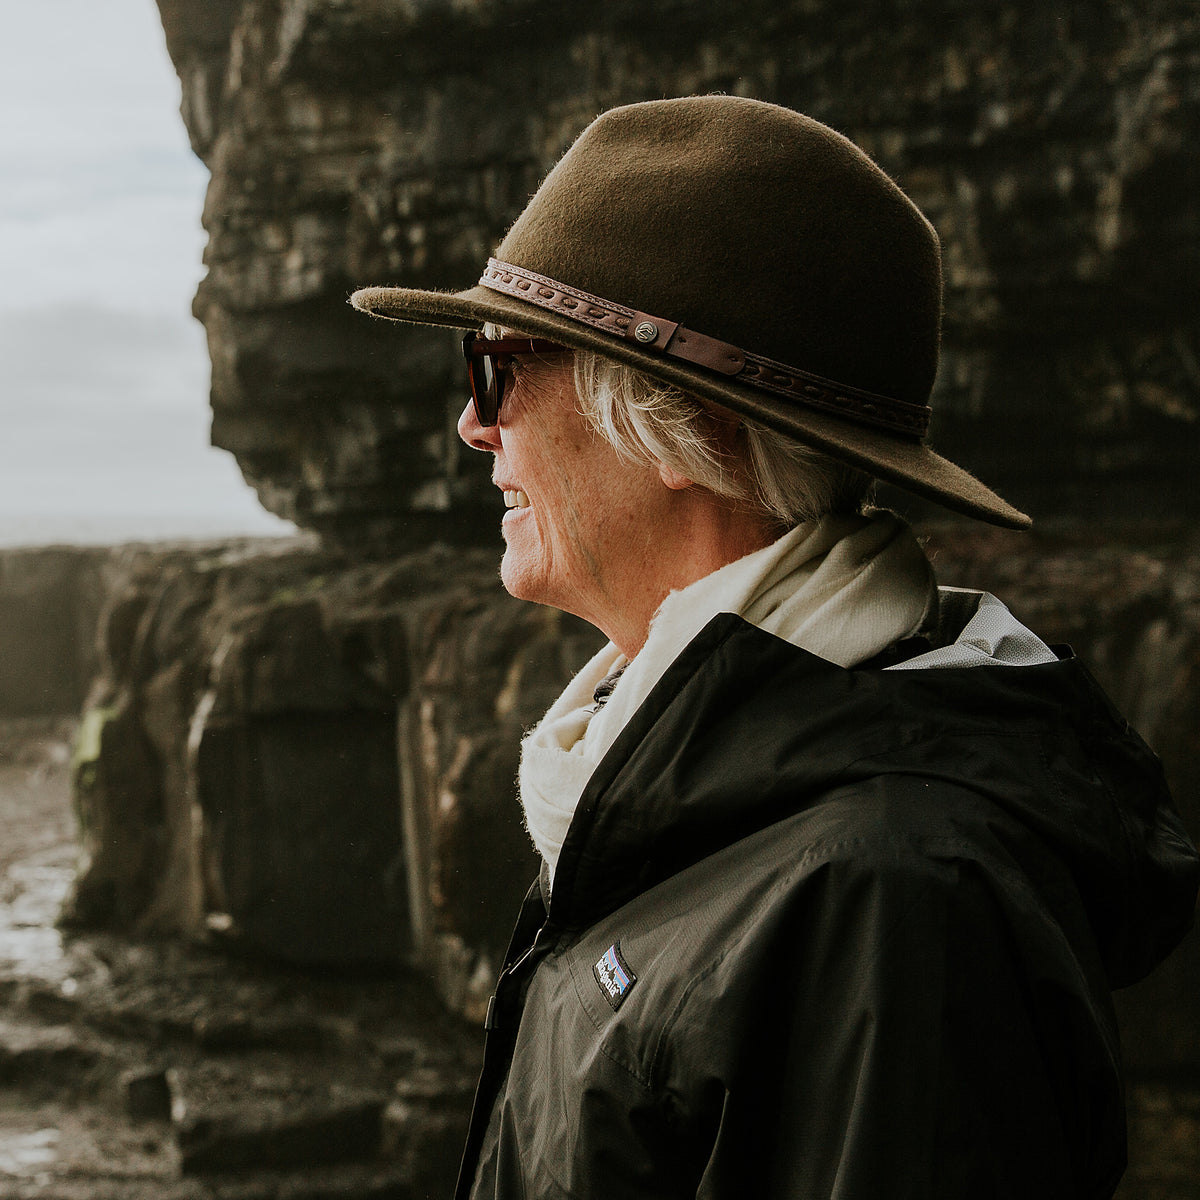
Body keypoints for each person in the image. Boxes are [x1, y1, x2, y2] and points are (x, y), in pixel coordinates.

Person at [352, 97, 1199, 1200]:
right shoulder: (661, 784)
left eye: (497, 362)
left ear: (679, 428)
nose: (476, 424)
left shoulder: (890, 903)